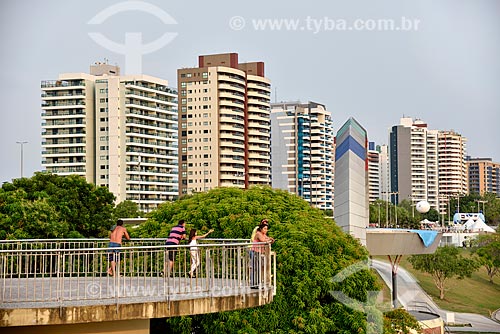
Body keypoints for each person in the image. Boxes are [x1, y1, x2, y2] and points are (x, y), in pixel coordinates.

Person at [250, 221, 275, 288]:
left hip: (259, 253)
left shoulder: (263, 234)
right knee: (255, 268)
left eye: (266, 229)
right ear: (261, 229)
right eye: (264, 228)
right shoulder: (258, 233)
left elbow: (268, 239)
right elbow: (263, 240)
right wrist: (269, 239)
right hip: (255, 252)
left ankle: (258, 283)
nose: (266, 230)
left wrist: (270, 239)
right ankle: (254, 284)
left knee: (259, 268)